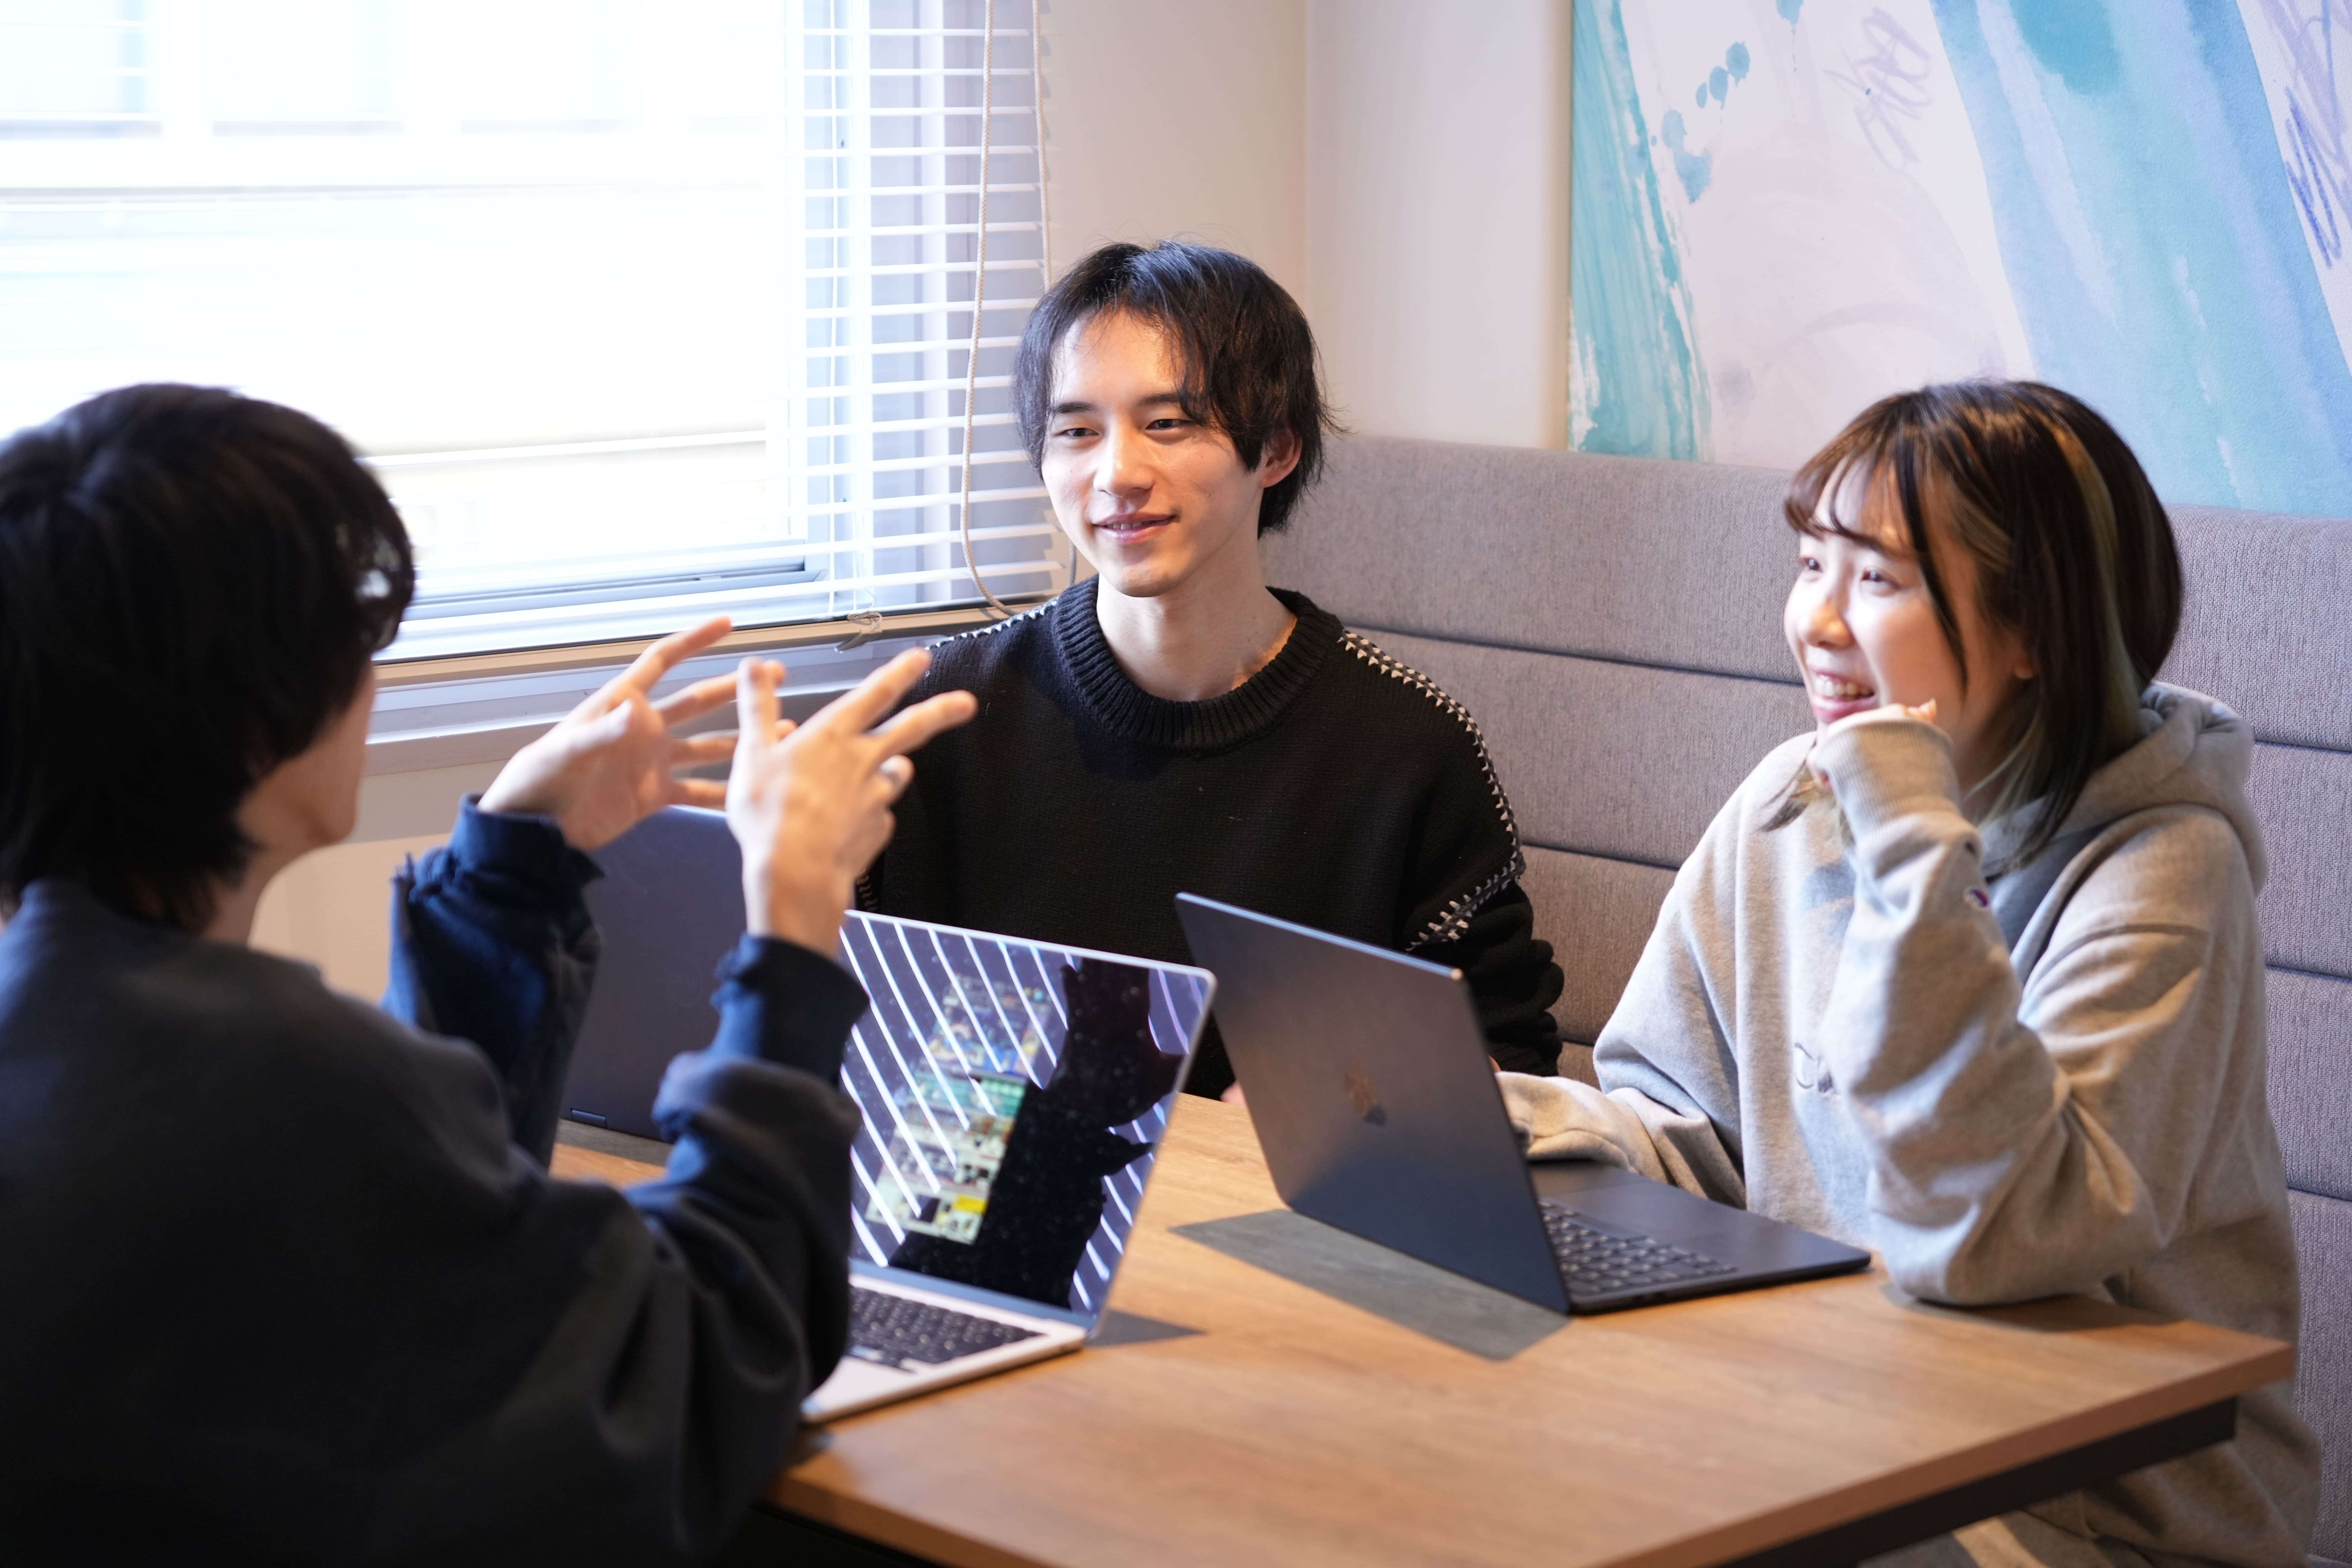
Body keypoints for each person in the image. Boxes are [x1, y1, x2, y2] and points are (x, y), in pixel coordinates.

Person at [0, 384, 975, 1561]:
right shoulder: (275, 1078)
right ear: (262, 719)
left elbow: (431, 1226)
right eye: (355, 644)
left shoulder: (82, 1033)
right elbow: (705, 1370)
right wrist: (791, 928)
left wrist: (512, 861)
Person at [1498, 381, 2318, 1567]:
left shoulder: (2161, 868)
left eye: (1877, 580)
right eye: (1809, 566)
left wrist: (1906, 840)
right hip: (1833, 1423)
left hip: (2093, 1511)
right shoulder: (1791, 801)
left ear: (2036, 630)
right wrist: (1511, 1120)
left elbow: (1995, 1241)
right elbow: (1692, 1136)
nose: (1817, 623)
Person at [864, 241, 1564, 1098]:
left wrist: (1352, 1091)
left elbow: (1513, 1060)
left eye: (1167, 424)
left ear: (1276, 449)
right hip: (990, 1168)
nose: (1117, 473)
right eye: (1077, 431)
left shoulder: (1407, 746)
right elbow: (833, 1007)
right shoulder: (944, 710)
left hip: (1271, 1183)